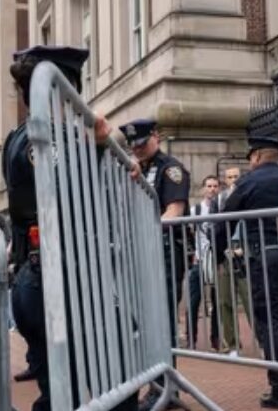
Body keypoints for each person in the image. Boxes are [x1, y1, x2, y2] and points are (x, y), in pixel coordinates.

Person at [3, 45, 137, 410]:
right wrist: (96, 150)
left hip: (47, 278)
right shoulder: (46, 138)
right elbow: (63, 194)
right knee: (117, 380)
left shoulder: (21, 136)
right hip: (59, 279)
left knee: (64, 392)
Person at [216, 136, 278, 409]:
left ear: (256, 157)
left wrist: (219, 251)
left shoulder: (248, 182)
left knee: (272, 320)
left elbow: (224, 220)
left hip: (267, 256)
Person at [118, 119, 189, 411]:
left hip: (163, 253)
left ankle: (164, 388)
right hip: (139, 254)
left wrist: (147, 230)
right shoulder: (133, 168)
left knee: (161, 323)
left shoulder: (170, 168)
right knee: (144, 323)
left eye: (143, 144)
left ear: (156, 137)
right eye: (134, 147)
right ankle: (154, 384)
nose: (139, 151)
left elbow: (174, 210)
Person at [186, 175, 220, 350]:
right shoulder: (196, 210)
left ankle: (216, 338)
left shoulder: (222, 209)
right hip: (200, 260)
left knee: (218, 302)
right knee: (193, 301)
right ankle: (191, 339)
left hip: (216, 260)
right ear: (203, 189)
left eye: (215, 186)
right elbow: (186, 231)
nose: (212, 189)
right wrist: (192, 252)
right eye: (209, 186)